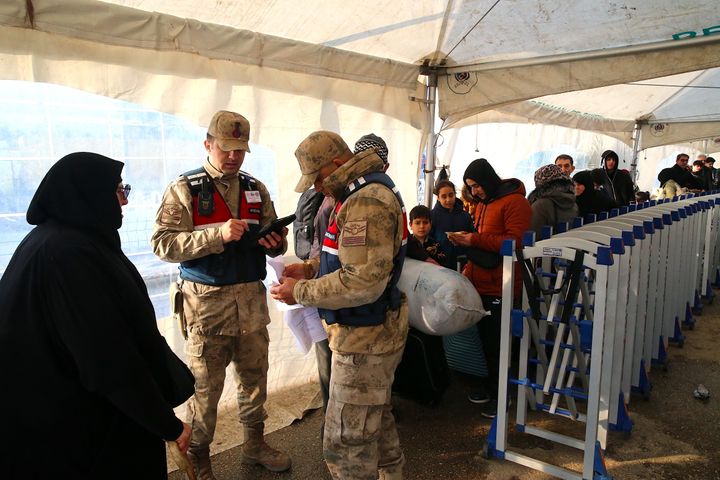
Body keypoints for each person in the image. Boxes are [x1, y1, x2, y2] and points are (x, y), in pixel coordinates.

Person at [0, 152, 195, 479]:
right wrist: (166, 424)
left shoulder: (65, 241)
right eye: (118, 191)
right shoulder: (67, 255)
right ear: (89, 194)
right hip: (76, 430)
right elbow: (107, 360)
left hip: (68, 416)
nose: (124, 201)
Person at [151, 110, 291, 479]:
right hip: (207, 308)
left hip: (249, 302)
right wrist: (217, 234)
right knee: (206, 391)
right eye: (226, 148)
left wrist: (276, 244)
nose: (233, 157)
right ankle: (199, 456)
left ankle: (255, 443)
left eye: (240, 150)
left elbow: (271, 238)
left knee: (254, 381)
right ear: (208, 144)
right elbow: (163, 244)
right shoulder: (185, 188)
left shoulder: (255, 187)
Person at [270, 130, 408, 480]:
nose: (316, 188)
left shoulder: (366, 200)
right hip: (369, 334)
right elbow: (359, 260)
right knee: (376, 425)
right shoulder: (358, 192)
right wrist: (313, 269)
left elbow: (363, 282)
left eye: (317, 178)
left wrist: (300, 291)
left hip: (364, 339)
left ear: (335, 164)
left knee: (345, 445)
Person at [448, 158, 532, 418]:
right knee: (485, 341)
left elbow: (515, 241)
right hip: (481, 282)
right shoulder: (485, 204)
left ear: (488, 179)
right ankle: (488, 388)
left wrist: (474, 239)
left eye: (476, 186)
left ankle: (502, 397)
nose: (474, 192)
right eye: (470, 187)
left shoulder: (516, 203)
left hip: (502, 285)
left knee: (499, 345)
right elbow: (487, 242)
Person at [431, 179, 475, 270]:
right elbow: (428, 239)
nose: (448, 199)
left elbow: (474, 238)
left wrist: (465, 237)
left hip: (462, 264)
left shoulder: (465, 216)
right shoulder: (432, 216)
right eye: (444, 196)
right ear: (438, 198)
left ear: (455, 195)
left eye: (451, 195)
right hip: (439, 265)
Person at [527, 164, 578, 237]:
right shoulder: (572, 202)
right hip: (570, 244)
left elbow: (532, 233)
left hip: (544, 247)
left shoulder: (541, 205)